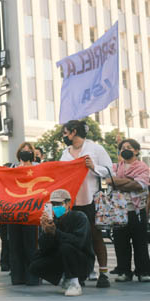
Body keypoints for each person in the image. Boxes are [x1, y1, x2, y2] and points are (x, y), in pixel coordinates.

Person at [60, 119, 113, 288]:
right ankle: (79, 273)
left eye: (65, 132)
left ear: (74, 132)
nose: (64, 136)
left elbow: (109, 169)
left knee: (96, 235)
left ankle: (103, 273)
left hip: (91, 199)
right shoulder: (65, 153)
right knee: (75, 238)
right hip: (71, 202)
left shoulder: (95, 149)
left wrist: (93, 166)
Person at [29, 189, 94, 296]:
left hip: (82, 260)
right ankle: (65, 278)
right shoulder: (53, 220)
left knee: (66, 247)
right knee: (36, 263)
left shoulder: (79, 217)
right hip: (64, 257)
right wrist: (46, 232)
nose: (56, 207)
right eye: (53, 204)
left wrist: (56, 232)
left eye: (59, 203)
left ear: (68, 203)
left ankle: (74, 282)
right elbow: (45, 249)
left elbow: (78, 242)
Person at [110, 139, 150, 282]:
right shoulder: (115, 167)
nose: (125, 149)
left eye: (129, 147)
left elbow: (140, 185)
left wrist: (119, 182)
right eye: (123, 147)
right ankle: (124, 271)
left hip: (137, 210)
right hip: (119, 211)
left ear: (137, 151)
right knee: (120, 242)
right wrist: (129, 181)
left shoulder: (144, 168)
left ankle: (143, 271)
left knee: (140, 242)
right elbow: (109, 181)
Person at [7, 142, 39, 286]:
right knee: (15, 244)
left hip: (31, 212)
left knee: (31, 244)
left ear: (33, 154)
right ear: (18, 153)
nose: (26, 153)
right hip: (14, 212)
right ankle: (18, 277)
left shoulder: (38, 168)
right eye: (23, 150)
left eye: (28, 150)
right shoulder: (11, 168)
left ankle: (32, 276)